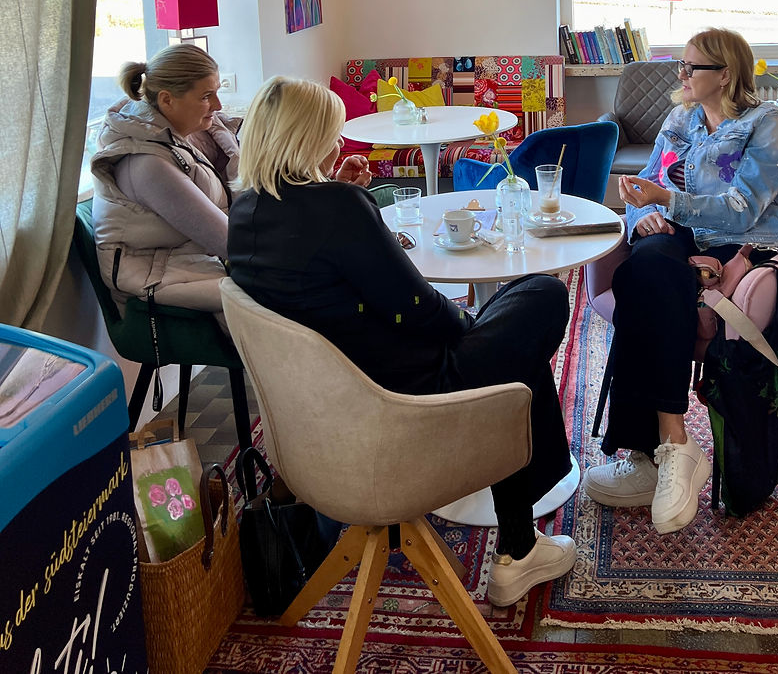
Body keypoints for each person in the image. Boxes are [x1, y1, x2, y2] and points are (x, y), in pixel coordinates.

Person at [226, 75, 577, 608]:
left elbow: (324, 277)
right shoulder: (336, 208)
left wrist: (343, 191)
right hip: (403, 391)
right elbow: (415, 305)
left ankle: (521, 542)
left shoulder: (245, 213)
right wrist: (469, 326)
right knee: (543, 296)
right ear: (306, 137)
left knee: (512, 346)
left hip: (331, 401)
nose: (337, 143)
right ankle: (520, 545)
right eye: (330, 132)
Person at [582, 28, 778, 535]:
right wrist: (643, 216)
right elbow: (645, 190)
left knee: (649, 279)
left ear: (725, 74)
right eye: (680, 65)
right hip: (679, 232)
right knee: (644, 265)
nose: (679, 75)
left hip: (737, 244)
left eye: (689, 67)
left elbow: (743, 210)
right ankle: (668, 444)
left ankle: (649, 450)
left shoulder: (766, 124)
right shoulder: (680, 119)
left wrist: (666, 202)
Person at [90, 46, 373, 318]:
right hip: (158, 277)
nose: (218, 105)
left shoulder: (194, 132)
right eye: (206, 96)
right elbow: (235, 245)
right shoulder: (147, 166)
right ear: (166, 100)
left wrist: (330, 188)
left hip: (196, 259)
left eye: (217, 92)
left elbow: (262, 204)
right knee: (311, 285)